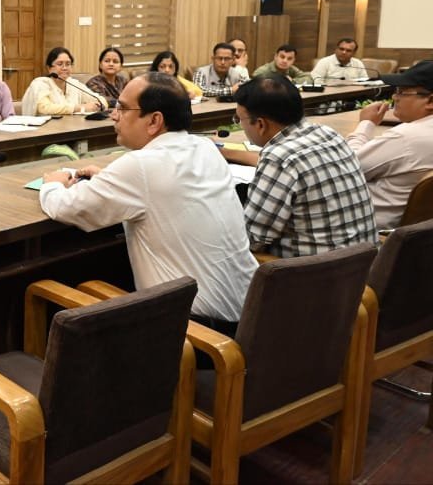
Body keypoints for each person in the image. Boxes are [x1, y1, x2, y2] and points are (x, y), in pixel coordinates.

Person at [39, 72, 257, 334]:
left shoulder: (140, 166)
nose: (113, 115)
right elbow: (162, 188)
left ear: (154, 120)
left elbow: (65, 207)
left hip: (192, 332)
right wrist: (111, 180)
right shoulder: (205, 148)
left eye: (122, 108)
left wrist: (52, 183)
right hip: (252, 317)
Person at [223, 76, 377, 257]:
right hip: (365, 262)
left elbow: (252, 239)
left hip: (318, 271)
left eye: (239, 119)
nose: (239, 124)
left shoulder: (279, 157)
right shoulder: (328, 134)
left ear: (260, 124)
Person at [345, 60, 433, 229]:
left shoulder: (405, 137)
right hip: (418, 231)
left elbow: (346, 169)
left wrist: (366, 124)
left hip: (366, 228)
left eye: (401, 92)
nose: (394, 97)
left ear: (430, 101)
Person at [21, 47, 107, 115]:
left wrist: (97, 105)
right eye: (60, 64)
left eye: (68, 64)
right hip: (44, 129)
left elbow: (101, 100)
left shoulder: (74, 83)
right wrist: (78, 108)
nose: (65, 68)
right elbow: (44, 108)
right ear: (49, 68)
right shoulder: (40, 83)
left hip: (72, 128)